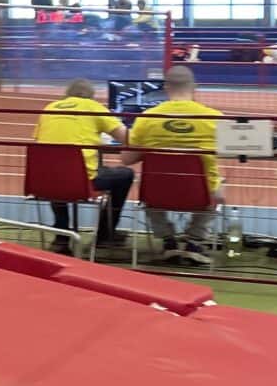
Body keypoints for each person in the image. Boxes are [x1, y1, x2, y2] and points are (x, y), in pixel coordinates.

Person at [126, 64, 222, 268]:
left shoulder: (146, 118)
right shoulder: (214, 118)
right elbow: (235, 151)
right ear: (194, 87)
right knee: (220, 190)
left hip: (156, 194)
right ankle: (194, 242)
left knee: (147, 192)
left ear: (166, 87)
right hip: (200, 194)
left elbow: (127, 159)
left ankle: (168, 241)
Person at [33, 77, 132, 256]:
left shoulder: (49, 108)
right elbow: (127, 138)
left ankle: (61, 236)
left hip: (45, 181)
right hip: (82, 182)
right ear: (91, 96)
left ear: (67, 94)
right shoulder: (93, 107)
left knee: (58, 171)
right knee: (125, 174)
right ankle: (105, 235)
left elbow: (39, 141)